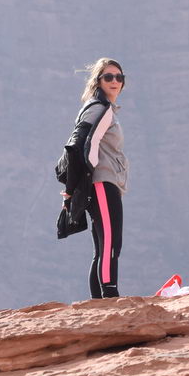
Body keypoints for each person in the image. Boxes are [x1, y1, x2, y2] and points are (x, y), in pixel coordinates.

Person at [60, 58, 128, 298]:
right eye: (108, 77)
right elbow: (79, 145)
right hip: (102, 183)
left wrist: (74, 188)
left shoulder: (97, 107)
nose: (115, 81)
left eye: (119, 77)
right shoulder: (102, 109)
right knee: (110, 243)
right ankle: (110, 295)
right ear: (98, 80)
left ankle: (98, 300)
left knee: (102, 247)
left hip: (104, 183)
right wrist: (76, 184)